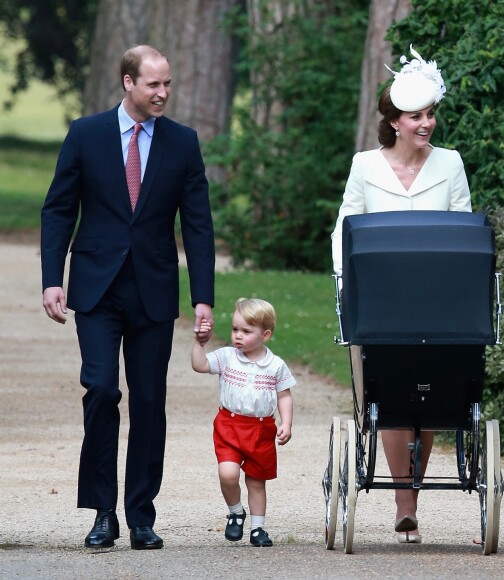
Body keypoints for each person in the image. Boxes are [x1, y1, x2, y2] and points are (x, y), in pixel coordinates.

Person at [41, 45, 215, 550]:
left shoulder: (183, 143)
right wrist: (53, 278)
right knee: (100, 390)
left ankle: (140, 514)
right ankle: (101, 512)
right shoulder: (86, 134)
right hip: (96, 287)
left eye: (167, 85)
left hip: (153, 291)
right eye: (152, 84)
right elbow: (58, 210)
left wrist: (202, 295)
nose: (162, 93)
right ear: (127, 83)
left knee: (150, 400)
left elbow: (198, 225)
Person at [331, 45, 472, 544]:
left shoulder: (450, 164)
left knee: (429, 391)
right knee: (390, 390)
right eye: (416, 116)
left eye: (430, 113)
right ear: (394, 122)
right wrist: (343, 280)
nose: (427, 123)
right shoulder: (365, 165)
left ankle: (409, 491)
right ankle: (404, 501)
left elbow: (464, 233)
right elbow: (345, 226)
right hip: (381, 296)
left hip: (436, 296)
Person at [191, 298, 294, 547]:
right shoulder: (228, 357)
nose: (238, 336)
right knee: (228, 473)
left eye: (246, 332)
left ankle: (258, 529)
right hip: (229, 425)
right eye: (235, 329)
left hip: (261, 428)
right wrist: (199, 343)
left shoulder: (275, 366)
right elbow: (200, 365)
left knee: (256, 481)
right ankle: (236, 512)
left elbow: (284, 395)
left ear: (265, 335)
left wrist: (286, 423)